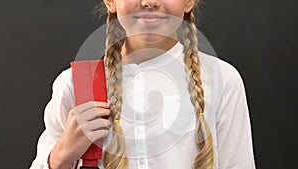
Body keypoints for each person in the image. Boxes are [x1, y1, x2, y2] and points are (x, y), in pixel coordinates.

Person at [30, 0, 256, 168]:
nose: (150, 2)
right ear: (110, 1)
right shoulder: (74, 84)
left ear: (189, 2)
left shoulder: (223, 79)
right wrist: (61, 155)